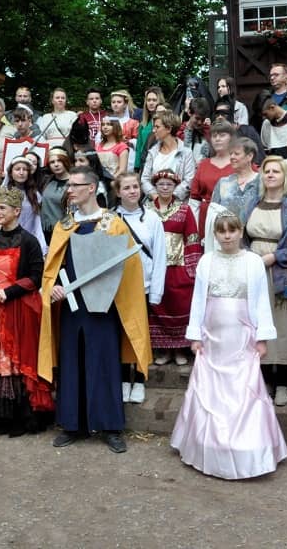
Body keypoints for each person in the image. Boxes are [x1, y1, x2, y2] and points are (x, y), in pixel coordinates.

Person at [38, 166, 151, 454]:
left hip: (104, 306)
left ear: (91, 188)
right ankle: (71, 424)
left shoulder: (113, 224)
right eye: (68, 186)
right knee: (71, 362)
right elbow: (52, 268)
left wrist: (112, 294)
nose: (69, 190)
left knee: (104, 363)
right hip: (72, 307)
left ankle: (110, 426)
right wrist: (53, 287)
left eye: (75, 185)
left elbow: (129, 268)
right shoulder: (64, 225)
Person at [170, 210, 287, 479]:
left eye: (231, 230)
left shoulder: (253, 262)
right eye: (221, 231)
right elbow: (198, 299)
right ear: (215, 234)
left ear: (240, 231)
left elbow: (261, 300)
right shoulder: (207, 261)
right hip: (212, 336)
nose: (227, 236)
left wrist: (261, 337)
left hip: (242, 334)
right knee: (210, 388)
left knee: (244, 387)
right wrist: (195, 335)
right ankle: (206, 444)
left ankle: (249, 447)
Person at [0, 187, 54, 436]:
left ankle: (21, 416)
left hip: (18, 309)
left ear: (17, 211)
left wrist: (9, 292)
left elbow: (36, 276)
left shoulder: (29, 241)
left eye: (2, 208)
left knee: (18, 358)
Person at [246, 156, 287, 406]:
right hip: (253, 272)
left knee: (283, 327)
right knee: (257, 324)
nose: (270, 175)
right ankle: (264, 381)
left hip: (282, 274)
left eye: (276, 171)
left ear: (285, 177)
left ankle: (282, 382)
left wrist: (276, 256)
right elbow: (239, 235)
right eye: (267, 171)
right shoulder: (252, 203)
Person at [114, 171, 166, 404]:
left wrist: (156, 291)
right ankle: (124, 379)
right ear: (118, 192)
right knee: (121, 335)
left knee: (140, 334)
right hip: (118, 288)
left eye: (135, 186)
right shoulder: (110, 218)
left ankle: (140, 378)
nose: (132, 191)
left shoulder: (152, 219)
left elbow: (160, 256)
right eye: (126, 188)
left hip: (142, 286)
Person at [146, 170, 201, 366]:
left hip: (177, 267)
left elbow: (192, 238)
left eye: (169, 184)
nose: (165, 188)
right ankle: (163, 351)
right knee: (157, 306)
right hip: (154, 268)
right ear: (155, 186)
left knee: (179, 306)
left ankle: (179, 350)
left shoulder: (184, 210)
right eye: (161, 184)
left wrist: (192, 268)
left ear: (175, 187)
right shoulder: (147, 211)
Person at [0, 155, 47, 255]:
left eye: (25, 169)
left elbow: (37, 224)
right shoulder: (1, 193)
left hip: (28, 243)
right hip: (6, 243)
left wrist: (42, 247)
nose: (21, 172)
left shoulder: (34, 195)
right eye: (17, 169)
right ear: (11, 172)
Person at [140, 110, 196, 202]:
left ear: (169, 129)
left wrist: (170, 198)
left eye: (157, 127)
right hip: (153, 203)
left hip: (177, 203)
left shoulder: (186, 153)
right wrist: (155, 196)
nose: (153, 130)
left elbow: (189, 181)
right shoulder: (152, 152)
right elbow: (144, 179)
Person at [190, 121, 235, 234]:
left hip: (232, 217)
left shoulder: (239, 163)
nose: (217, 139)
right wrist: (194, 227)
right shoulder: (204, 164)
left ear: (231, 138)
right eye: (214, 136)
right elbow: (194, 198)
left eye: (222, 135)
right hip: (206, 217)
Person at [210, 137, 260, 227]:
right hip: (226, 232)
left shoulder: (261, 181)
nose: (232, 157)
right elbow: (213, 213)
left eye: (236, 154)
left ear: (249, 156)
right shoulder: (223, 182)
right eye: (231, 154)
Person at [40, 148, 72, 242]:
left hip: (64, 231)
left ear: (65, 161)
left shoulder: (74, 182)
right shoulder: (46, 180)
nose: (56, 164)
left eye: (59, 161)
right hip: (45, 230)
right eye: (52, 162)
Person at [133, 86, 165, 171]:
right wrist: (137, 167)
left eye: (154, 100)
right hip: (144, 163)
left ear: (159, 102)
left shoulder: (165, 121)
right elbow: (139, 147)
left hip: (159, 162)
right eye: (148, 100)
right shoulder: (143, 123)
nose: (151, 103)